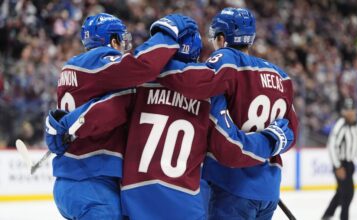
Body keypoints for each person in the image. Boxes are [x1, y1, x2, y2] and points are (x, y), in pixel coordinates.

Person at [46, 16, 295, 220]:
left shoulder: (136, 85)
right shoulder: (269, 80)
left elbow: (104, 109)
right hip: (197, 199)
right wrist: (271, 142)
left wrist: (62, 125)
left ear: (221, 38)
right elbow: (228, 144)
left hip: (135, 199)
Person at [45, 12, 196, 220]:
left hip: (68, 182)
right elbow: (143, 67)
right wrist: (168, 31)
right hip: (93, 184)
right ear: (112, 40)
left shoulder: (71, 67)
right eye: (120, 40)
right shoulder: (100, 60)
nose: (123, 48)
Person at [156, 7, 299, 219]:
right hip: (268, 189)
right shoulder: (281, 76)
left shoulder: (227, 60)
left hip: (231, 187)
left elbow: (195, 83)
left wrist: (159, 65)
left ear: (222, 38)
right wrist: (270, 142)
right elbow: (291, 133)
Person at [322, 98, 357, 220]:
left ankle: (327, 214)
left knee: (341, 191)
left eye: (352, 109)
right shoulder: (340, 125)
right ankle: (344, 217)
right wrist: (337, 166)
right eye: (347, 110)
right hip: (341, 164)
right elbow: (331, 146)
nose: (350, 112)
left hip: (351, 164)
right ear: (343, 111)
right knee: (348, 194)